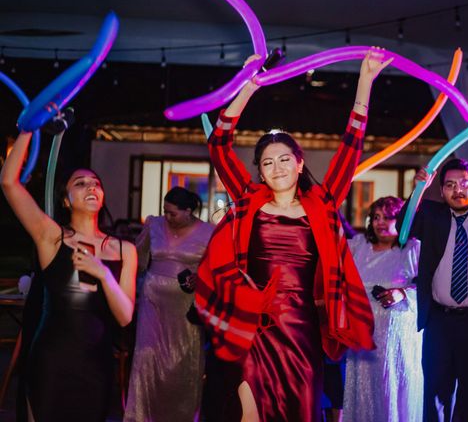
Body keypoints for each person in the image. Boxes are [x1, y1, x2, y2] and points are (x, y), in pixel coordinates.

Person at [195, 48, 391, 422]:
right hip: (253, 328)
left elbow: (351, 147)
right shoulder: (247, 200)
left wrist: (365, 80)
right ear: (261, 172)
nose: (276, 166)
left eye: (284, 158)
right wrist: (251, 85)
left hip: (302, 331)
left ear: (300, 164)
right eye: (267, 162)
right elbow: (219, 142)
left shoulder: (323, 203)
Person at [0, 132, 137, 421]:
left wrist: (102, 274)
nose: (91, 187)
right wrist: (28, 127)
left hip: (96, 366)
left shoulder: (125, 250)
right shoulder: (51, 237)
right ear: (65, 199)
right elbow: (9, 183)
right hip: (52, 361)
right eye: (81, 183)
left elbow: (125, 317)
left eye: (96, 184)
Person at [396, 158, 468, 422]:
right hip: (439, 322)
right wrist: (419, 190)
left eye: (464, 184)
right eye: (449, 185)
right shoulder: (433, 215)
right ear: (441, 190)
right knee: (435, 397)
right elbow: (404, 226)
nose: (457, 190)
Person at [124, 187, 214, 422]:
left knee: (182, 362)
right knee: (146, 356)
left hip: (186, 307)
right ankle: (141, 416)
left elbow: (215, 269)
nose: (167, 217)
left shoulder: (208, 233)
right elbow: (138, 260)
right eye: (165, 211)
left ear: (188, 211)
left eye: (173, 213)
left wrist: (201, 278)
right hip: (152, 302)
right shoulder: (154, 225)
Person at [343, 196, 423, 422]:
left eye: (387, 217)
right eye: (376, 217)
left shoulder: (412, 249)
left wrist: (402, 293)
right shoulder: (358, 246)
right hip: (363, 336)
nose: (379, 222)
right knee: (363, 393)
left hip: (398, 340)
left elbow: (430, 289)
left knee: (393, 392)